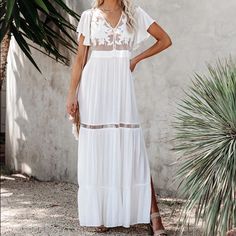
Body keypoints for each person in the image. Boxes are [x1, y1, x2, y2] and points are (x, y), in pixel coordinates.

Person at [66, 0, 172, 235]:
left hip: (122, 90)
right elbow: (80, 60)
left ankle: (152, 216)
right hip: (93, 88)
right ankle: (100, 213)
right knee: (98, 147)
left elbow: (165, 40)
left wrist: (135, 59)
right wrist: (72, 94)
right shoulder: (89, 16)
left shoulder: (134, 14)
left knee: (130, 145)